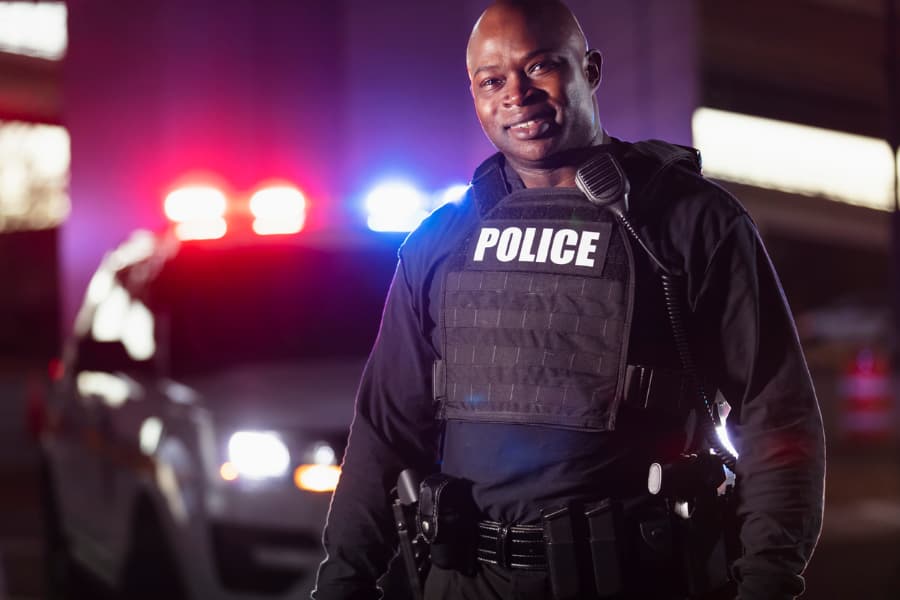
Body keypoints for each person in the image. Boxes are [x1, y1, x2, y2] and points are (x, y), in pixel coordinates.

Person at [312, 1, 825, 599]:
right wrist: (342, 584)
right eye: (492, 80)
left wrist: (767, 582)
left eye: (540, 68)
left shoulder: (688, 222)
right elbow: (384, 430)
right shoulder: (443, 238)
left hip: (637, 579)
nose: (517, 95)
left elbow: (777, 416)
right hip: (465, 582)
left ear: (591, 69)